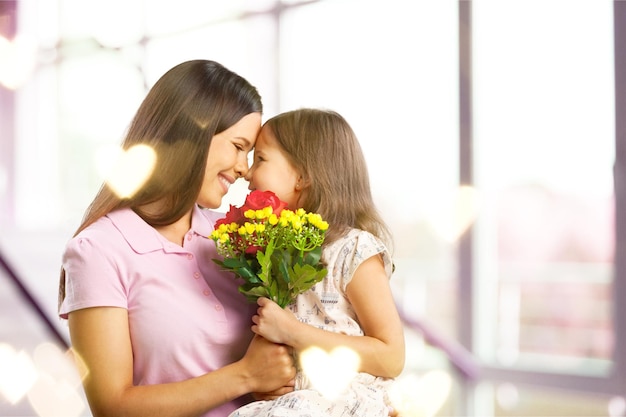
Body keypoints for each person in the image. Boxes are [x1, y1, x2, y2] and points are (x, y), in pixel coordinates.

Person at [57, 59, 296, 417]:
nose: (245, 168)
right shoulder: (98, 251)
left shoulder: (233, 234)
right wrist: (245, 376)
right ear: (193, 134)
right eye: (238, 145)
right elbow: (112, 406)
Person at [230, 108, 406, 417]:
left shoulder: (354, 250)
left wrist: (292, 332)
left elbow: (391, 357)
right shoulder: (277, 252)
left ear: (303, 177)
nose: (246, 172)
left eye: (260, 159)